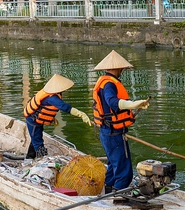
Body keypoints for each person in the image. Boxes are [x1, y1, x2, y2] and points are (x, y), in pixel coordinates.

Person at [92, 50, 150, 194]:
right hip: (113, 133)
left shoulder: (104, 81)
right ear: (118, 68)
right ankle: (119, 197)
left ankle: (108, 192)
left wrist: (133, 108)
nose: (122, 71)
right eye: (122, 68)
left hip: (107, 131)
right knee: (124, 171)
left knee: (113, 165)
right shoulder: (109, 84)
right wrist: (134, 104)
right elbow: (113, 103)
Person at [24, 74, 92, 159]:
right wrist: (81, 114)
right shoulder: (52, 98)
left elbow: (44, 107)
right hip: (33, 120)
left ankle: (28, 158)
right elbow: (65, 107)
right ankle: (43, 161)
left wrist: (52, 118)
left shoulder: (52, 94)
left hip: (37, 118)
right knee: (38, 142)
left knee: (36, 138)